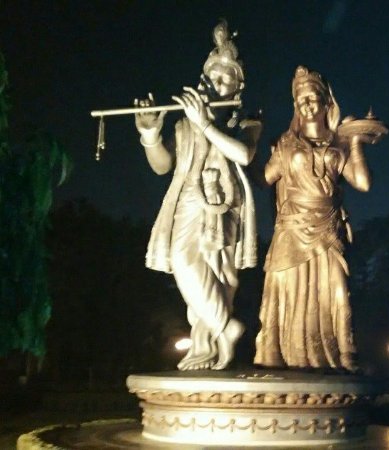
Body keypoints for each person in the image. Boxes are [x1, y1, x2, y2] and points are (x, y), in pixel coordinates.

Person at [135, 21, 261, 370]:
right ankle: (223, 329)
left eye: (225, 80)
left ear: (237, 87)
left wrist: (206, 123)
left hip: (222, 202)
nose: (216, 84)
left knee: (221, 275)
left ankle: (216, 337)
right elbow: (163, 165)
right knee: (182, 261)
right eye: (211, 77)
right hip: (186, 201)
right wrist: (150, 137)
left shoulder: (245, 122)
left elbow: (244, 154)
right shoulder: (184, 125)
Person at [254, 66, 373, 371]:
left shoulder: (338, 144)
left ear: (326, 103)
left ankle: (343, 354)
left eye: (312, 98)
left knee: (336, 290)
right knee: (288, 291)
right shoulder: (285, 144)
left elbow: (362, 183)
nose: (306, 104)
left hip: (327, 227)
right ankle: (283, 355)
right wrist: (248, 143)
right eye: (300, 99)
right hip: (292, 228)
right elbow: (262, 179)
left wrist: (354, 142)